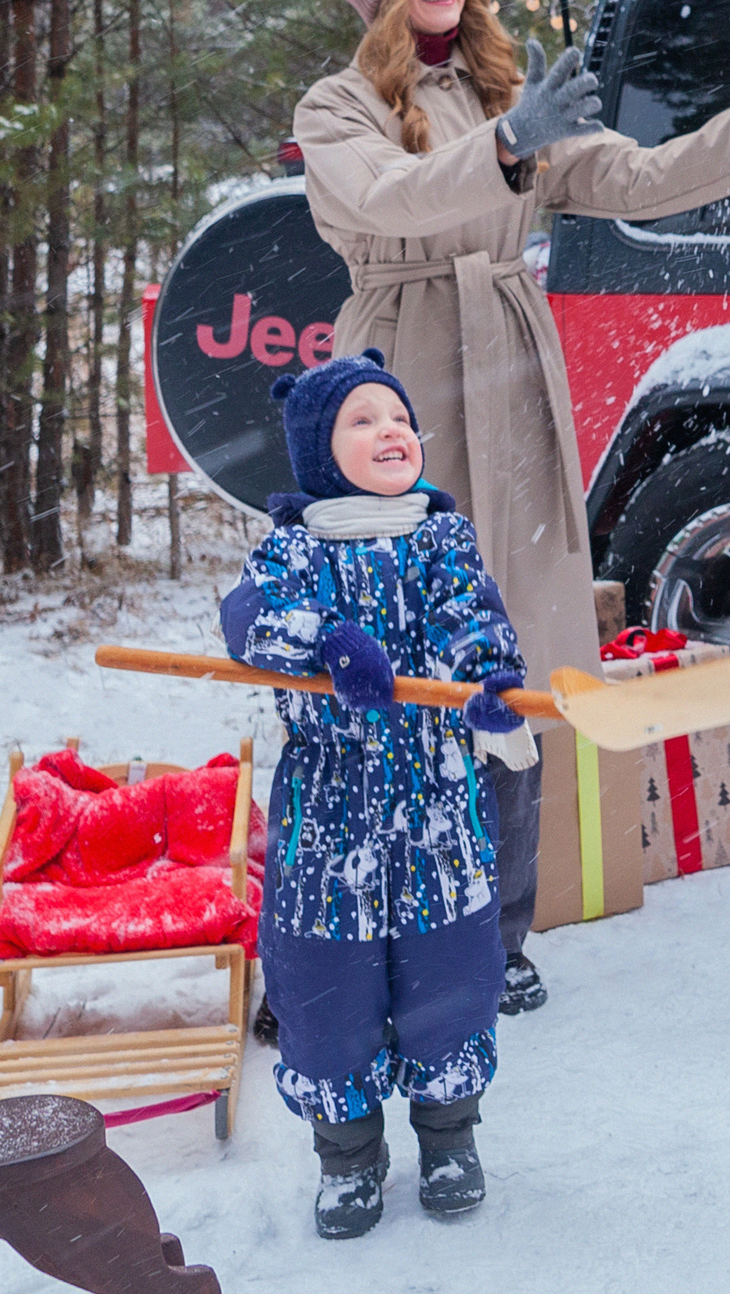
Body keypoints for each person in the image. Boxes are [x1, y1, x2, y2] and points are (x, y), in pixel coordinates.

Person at [294, 0, 730, 1018]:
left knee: (511, 652)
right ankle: (387, 925)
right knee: (398, 649)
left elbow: (636, 178)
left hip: (508, 371)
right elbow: (388, 198)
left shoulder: (512, 96)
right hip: (398, 378)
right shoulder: (341, 106)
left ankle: (502, 930)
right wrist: (502, 151)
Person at [222, 351, 531, 1238]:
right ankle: (348, 1157)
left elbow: (474, 618)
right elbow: (246, 623)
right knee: (327, 996)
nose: (390, 431)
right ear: (319, 449)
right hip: (327, 815)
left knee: (451, 982)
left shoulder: (441, 537)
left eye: (398, 417)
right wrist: (326, 642)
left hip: (437, 809)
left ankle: (448, 1139)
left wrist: (487, 679)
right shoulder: (290, 547)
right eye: (362, 420)